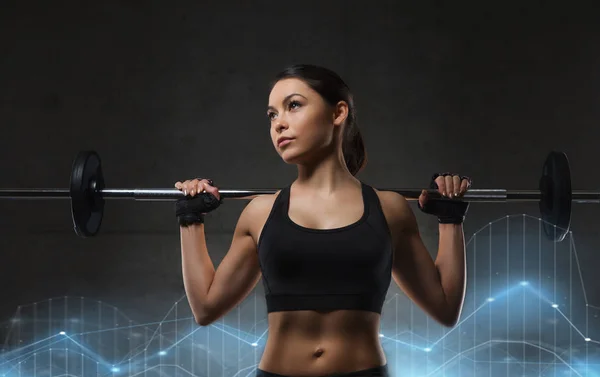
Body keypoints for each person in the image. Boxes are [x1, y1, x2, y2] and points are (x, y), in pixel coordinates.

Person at [174, 64, 471, 377]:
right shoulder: (261, 213)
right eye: (272, 114)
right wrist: (190, 216)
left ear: (338, 113)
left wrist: (450, 216)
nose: (279, 124)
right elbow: (206, 308)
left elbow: (446, 307)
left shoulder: (389, 209)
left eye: (293, 105)